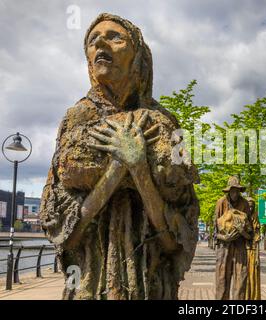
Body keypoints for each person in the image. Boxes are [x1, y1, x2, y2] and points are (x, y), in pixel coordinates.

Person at [39, 13, 199, 300]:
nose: (101, 42)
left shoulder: (164, 123)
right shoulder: (76, 119)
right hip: (91, 282)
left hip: (151, 283)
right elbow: (68, 236)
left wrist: (139, 170)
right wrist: (116, 169)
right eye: (92, 40)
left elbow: (173, 242)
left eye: (115, 37)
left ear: (137, 56)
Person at [214, 176, 252, 300]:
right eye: (232, 190)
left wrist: (242, 232)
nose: (235, 193)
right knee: (222, 280)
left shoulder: (245, 203)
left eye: (237, 190)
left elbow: (250, 234)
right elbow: (215, 233)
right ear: (228, 191)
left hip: (240, 247)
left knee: (241, 279)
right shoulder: (221, 203)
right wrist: (225, 238)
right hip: (224, 247)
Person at [245, 197, 261, 300]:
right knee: (244, 276)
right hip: (243, 251)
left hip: (253, 251)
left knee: (253, 275)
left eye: (252, 206)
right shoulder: (242, 217)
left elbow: (257, 238)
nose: (250, 208)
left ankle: (254, 297)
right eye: (248, 206)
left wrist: (257, 257)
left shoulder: (255, 217)